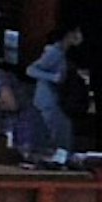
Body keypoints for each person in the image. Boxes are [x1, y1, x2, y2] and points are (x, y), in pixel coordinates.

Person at [20, 23, 86, 160]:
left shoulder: (61, 53)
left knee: (61, 134)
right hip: (50, 101)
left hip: (55, 101)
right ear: (69, 34)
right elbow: (31, 69)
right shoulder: (54, 52)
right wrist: (53, 77)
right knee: (59, 137)